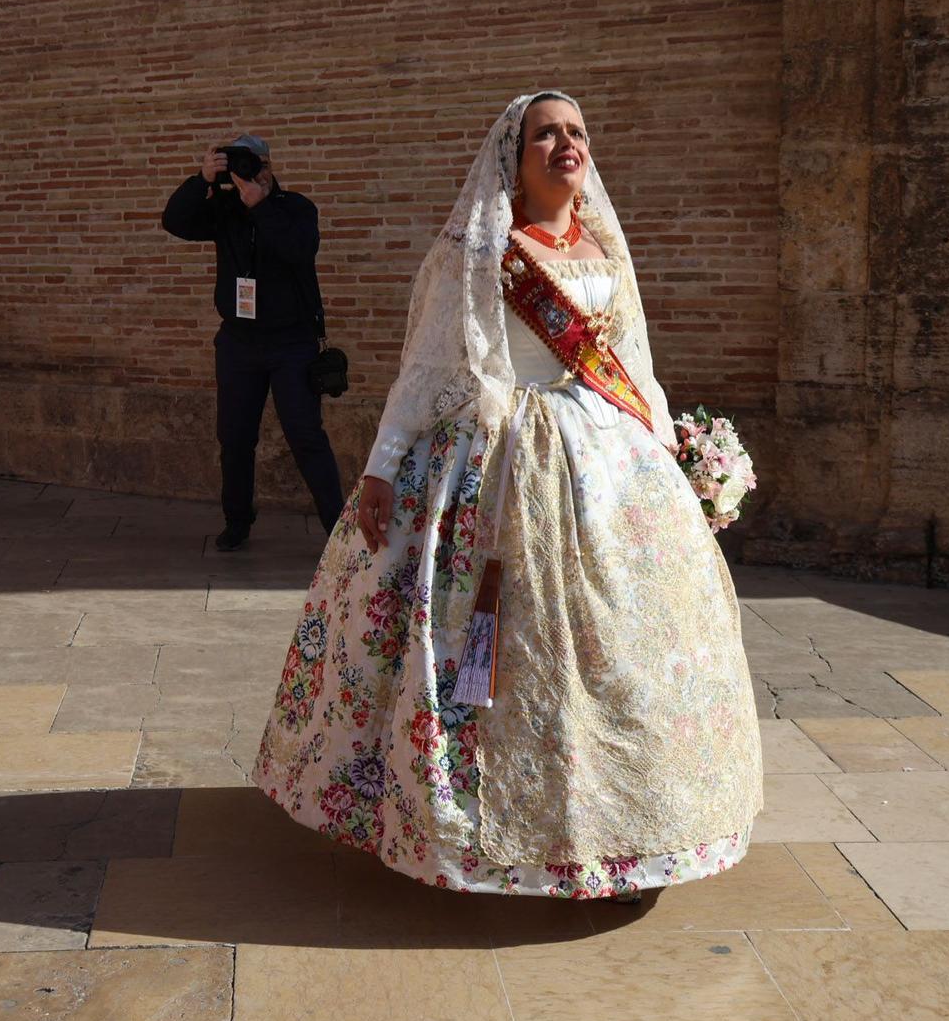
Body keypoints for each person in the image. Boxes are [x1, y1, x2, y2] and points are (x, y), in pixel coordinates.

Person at [254, 93, 762, 900]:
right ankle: (481, 832)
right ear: (512, 156)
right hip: (499, 460)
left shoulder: (602, 245)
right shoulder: (480, 250)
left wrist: (675, 451)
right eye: (546, 133)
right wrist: (384, 465)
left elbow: (632, 360)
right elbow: (425, 368)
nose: (566, 144)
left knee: (630, 646)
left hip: (608, 464)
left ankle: (638, 826)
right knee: (501, 652)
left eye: (578, 132)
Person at [162, 132, 343, 550]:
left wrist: (260, 206)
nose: (247, 172)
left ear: (269, 167)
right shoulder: (224, 210)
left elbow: (299, 250)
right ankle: (237, 521)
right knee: (235, 436)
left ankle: (339, 531)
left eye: (254, 164)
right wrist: (201, 181)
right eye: (238, 164)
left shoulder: (296, 208)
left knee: (306, 435)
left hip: (291, 344)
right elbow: (175, 222)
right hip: (238, 343)